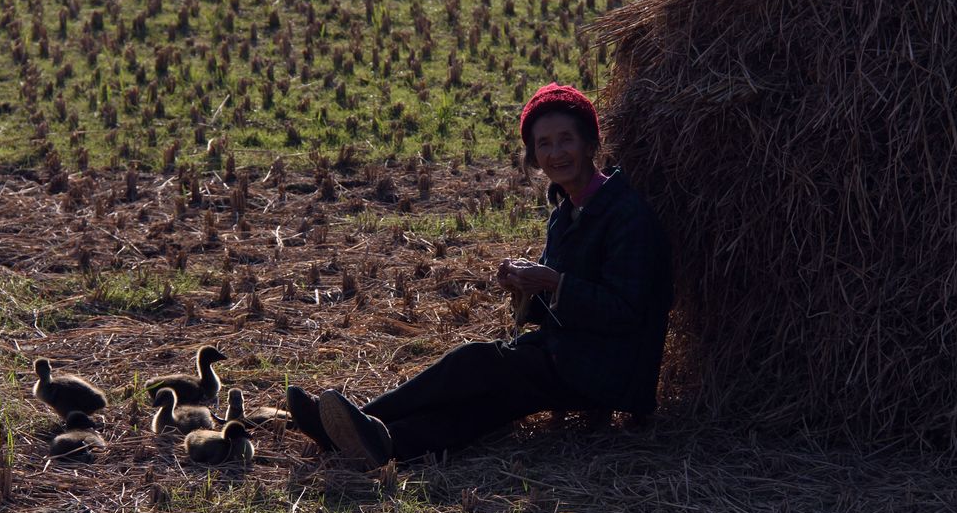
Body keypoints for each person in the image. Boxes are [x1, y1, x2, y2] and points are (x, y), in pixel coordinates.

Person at [288, 82, 674, 469]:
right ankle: (384, 443)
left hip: (608, 368)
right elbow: (556, 307)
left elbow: (626, 310)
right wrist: (524, 288)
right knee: (490, 402)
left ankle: (346, 422)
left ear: (590, 144)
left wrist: (554, 283)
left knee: (477, 363)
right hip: (566, 354)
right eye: (544, 145)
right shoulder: (564, 213)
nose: (556, 153)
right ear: (534, 158)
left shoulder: (625, 214)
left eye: (566, 140)